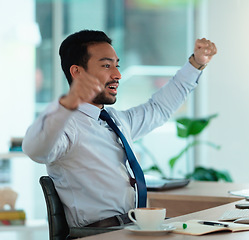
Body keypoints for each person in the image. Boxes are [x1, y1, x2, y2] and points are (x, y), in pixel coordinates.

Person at [22, 29, 217, 228]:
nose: (118, 75)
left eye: (117, 65)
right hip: (102, 234)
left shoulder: (115, 120)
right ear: (77, 72)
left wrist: (195, 64)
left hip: (133, 227)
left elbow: (158, 108)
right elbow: (35, 149)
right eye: (107, 65)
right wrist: (68, 103)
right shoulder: (67, 126)